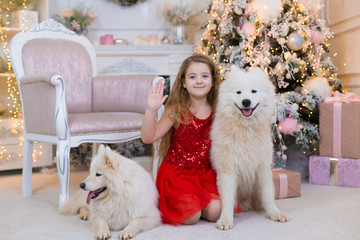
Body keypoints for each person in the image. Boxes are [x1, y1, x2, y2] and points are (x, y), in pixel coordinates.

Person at [142, 54, 239, 226]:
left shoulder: (220, 107)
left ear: (213, 80)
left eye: (204, 76)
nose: (199, 81)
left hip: (206, 174)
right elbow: (148, 137)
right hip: (177, 174)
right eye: (192, 77)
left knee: (217, 211)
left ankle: (199, 203)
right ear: (184, 83)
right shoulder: (176, 109)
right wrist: (151, 110)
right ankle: (192, 205)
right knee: (190, 216)